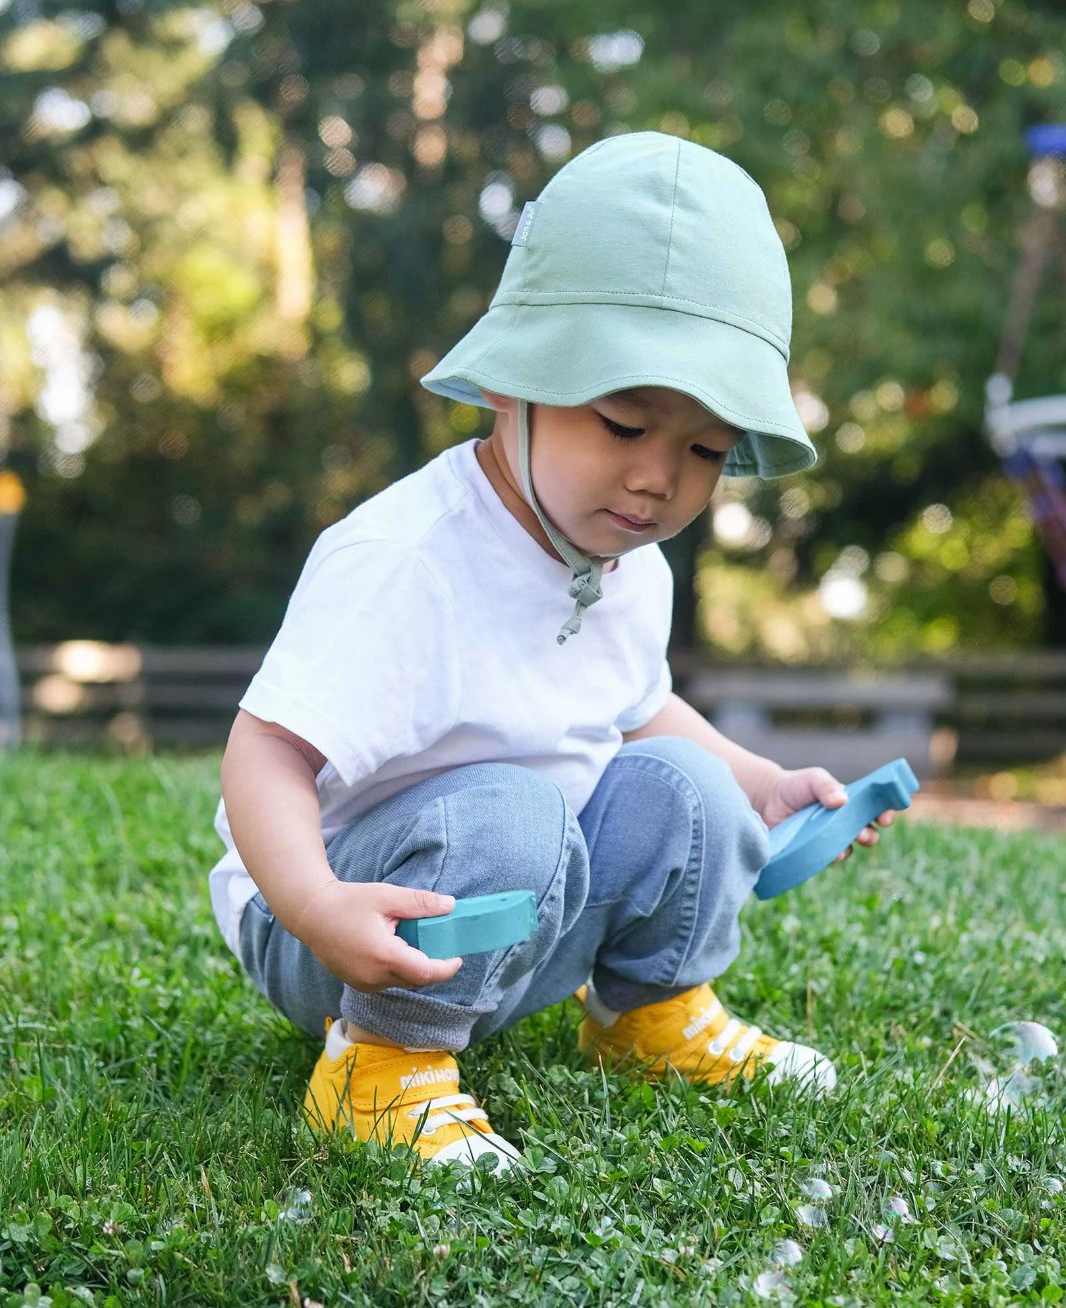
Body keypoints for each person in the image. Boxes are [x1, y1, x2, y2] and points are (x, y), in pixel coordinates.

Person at [212, 131, 895, 1172]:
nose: (658, 480)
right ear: (510, 388)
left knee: (686, 784)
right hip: (343, 915)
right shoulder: (407, 560)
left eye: (705, 449)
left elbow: (636, 709)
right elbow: (264, 751)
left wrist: (755, 785)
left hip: (522, 903)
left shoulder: (631, 565)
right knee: (513, 803)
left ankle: (646, 1017)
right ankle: (377, 1069)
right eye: (622, 423)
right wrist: (314, 903)